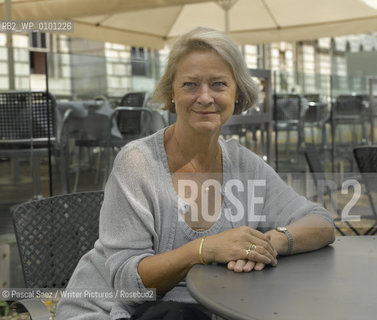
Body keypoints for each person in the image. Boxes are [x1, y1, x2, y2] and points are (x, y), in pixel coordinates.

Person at [57, 27, 335, 320]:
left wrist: (268, 244)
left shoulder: (245, 165)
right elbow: (128, 285)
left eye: (218, 84)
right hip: (109, 311)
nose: (204, 97)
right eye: (190, 85)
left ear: (237, 93)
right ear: (171, 93)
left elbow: (322, 222)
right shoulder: (137, 162)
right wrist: (204, 249)